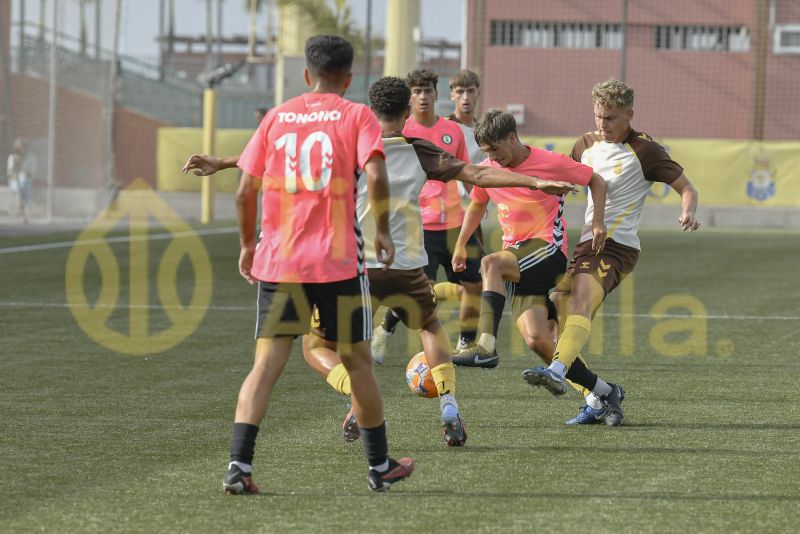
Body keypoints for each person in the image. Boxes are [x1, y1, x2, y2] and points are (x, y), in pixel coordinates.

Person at [183, 78, 577, 447]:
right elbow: (477, 174)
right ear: (408, 112)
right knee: (430, 326)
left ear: (370, 111)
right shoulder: (420, 150)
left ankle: (355, 395)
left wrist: (221, 161)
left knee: (316, 344)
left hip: (355, 269)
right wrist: (534, 182)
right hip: (407, 265)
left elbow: (279, 157)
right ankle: (450, 405)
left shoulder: (347, 143)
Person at [210, 35, 413, 495]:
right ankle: (379, 466)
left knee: (265, 365)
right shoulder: (358, 115)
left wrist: (247, 246)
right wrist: (382, 230)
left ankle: (239, 467)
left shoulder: (277, 117)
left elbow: (245, 190)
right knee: (358, 361)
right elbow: (377, 173)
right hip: (338, 262)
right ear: (348, 78)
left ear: (307, 75)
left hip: (279, 262)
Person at [524, 78, 701, 426]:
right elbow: (560, 174)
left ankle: (558, 371)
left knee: (580, 304)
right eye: (598, 117)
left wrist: (688, 210)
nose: (602, 125)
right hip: (585, 245)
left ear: (629, 115)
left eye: (610, 119)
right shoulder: (586, 144)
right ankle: (602, 394)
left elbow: (686, 187)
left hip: (617, 248)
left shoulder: (646, 150)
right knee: (550, 330)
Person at [448, 110, 622, 424]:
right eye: (486, 152)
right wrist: (461, 243)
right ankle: (603, 392)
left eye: (496, 149)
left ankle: (486, 346)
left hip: (547, 250)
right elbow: (477, 203)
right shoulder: (490, 170)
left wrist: (598, 222)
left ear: (512, 138)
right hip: (517, 259)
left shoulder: (550, 162)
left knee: (490, 264)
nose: (493, 157)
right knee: (537, 340)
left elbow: (595, 180)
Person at [372, 68, 483, 361]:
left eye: (427, 91)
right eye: (417, 92)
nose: (423, 97)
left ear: (436, 95)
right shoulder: (401, 133)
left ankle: (466, 343)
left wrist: (479, 200)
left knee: (474, 284)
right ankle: (384, 331)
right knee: (423, 291)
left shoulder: (452, 130)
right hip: (420, 225)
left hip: (456, 222)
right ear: (409, 100)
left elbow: (466, 172)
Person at [6, 139, 37, 223]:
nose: (21, 150)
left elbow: (33, 172)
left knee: (24, 182)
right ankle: (26, 214)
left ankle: (20, 207)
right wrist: (16, 176)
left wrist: (25, 174)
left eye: (22, 147)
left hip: (27, 182)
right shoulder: (13, 157)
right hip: (14, 182)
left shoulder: (30, 157)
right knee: (22, 185)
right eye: (19, 148)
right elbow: (9, 172)